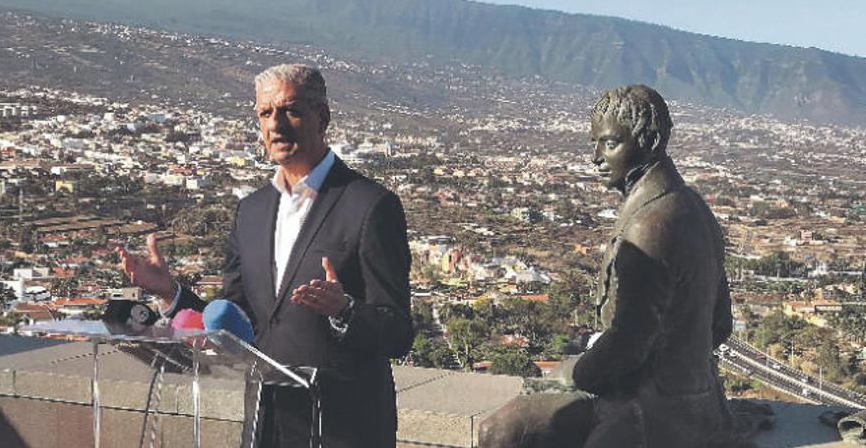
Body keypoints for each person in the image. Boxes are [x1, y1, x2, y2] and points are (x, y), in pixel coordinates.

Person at [118, 64, 414, 448]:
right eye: (265, 113)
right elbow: (235, 319)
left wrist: (345, 310)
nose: (276, 124)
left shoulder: (371, 206)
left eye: (290, 110)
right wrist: (171, 293)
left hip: (345, 429)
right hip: (267, 425)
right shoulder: (252, 212)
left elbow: (399, 332)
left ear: (321, 117)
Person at [479, 85, 735, 448]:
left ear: (649, 140)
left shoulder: (651, 225)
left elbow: (628, 347)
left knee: (499, 433)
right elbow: (721, 325)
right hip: (695, 399)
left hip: (656, 409)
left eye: (610, 143)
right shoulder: (692, 206)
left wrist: (564, 374)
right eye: (596, 143)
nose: (596, 157)